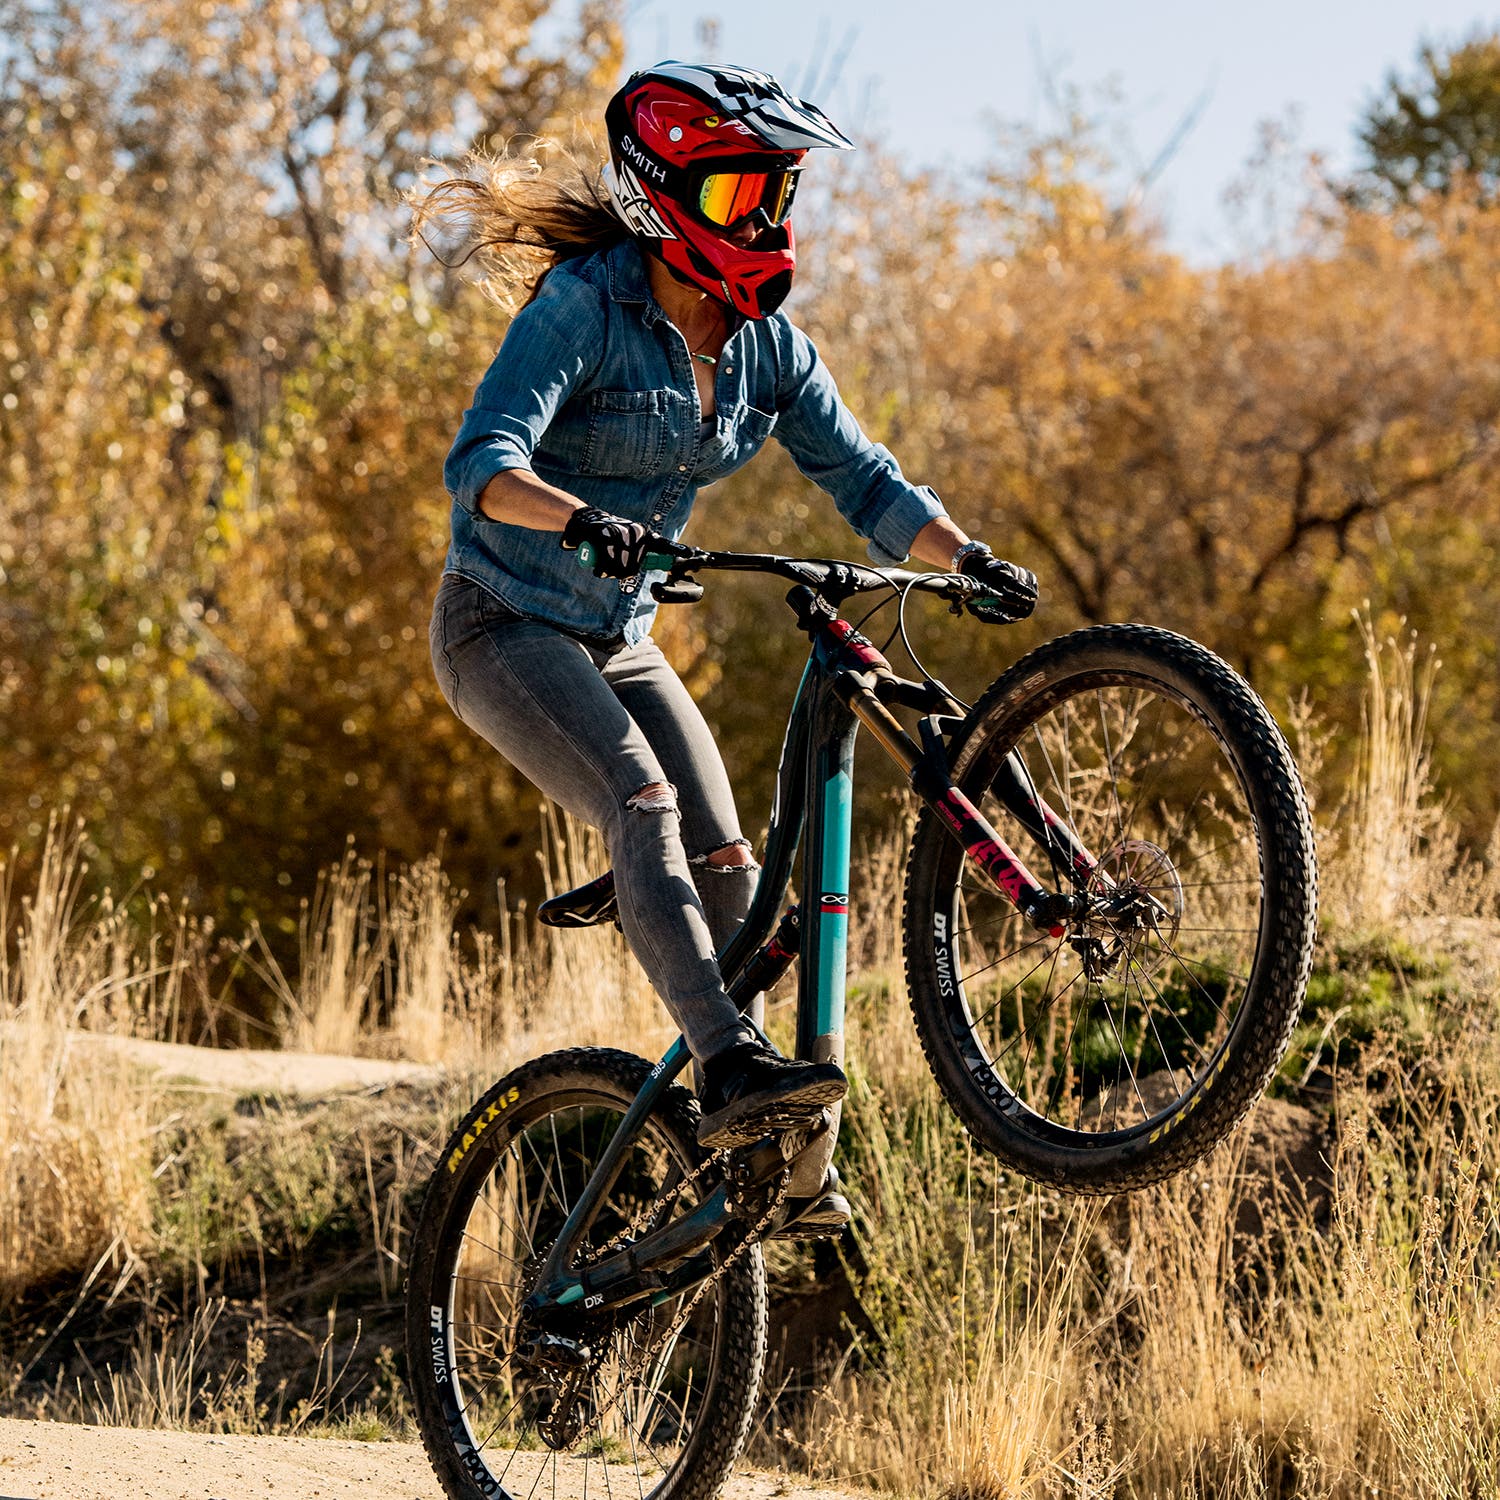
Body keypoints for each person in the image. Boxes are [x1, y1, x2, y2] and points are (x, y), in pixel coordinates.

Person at [415, 62, 1037, 1230]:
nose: (759, 221)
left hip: (622, 640)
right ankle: (724, 1069)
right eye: (733, 195)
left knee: (748, 889)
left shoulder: (766, 350)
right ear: (664, 195)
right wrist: (579, 515)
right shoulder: (584, 310)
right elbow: (483, 465)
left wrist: (970, 559)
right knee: (643, 805)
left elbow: (865, 479)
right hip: (503, 626)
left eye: (775, 196)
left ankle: (775, 1176)